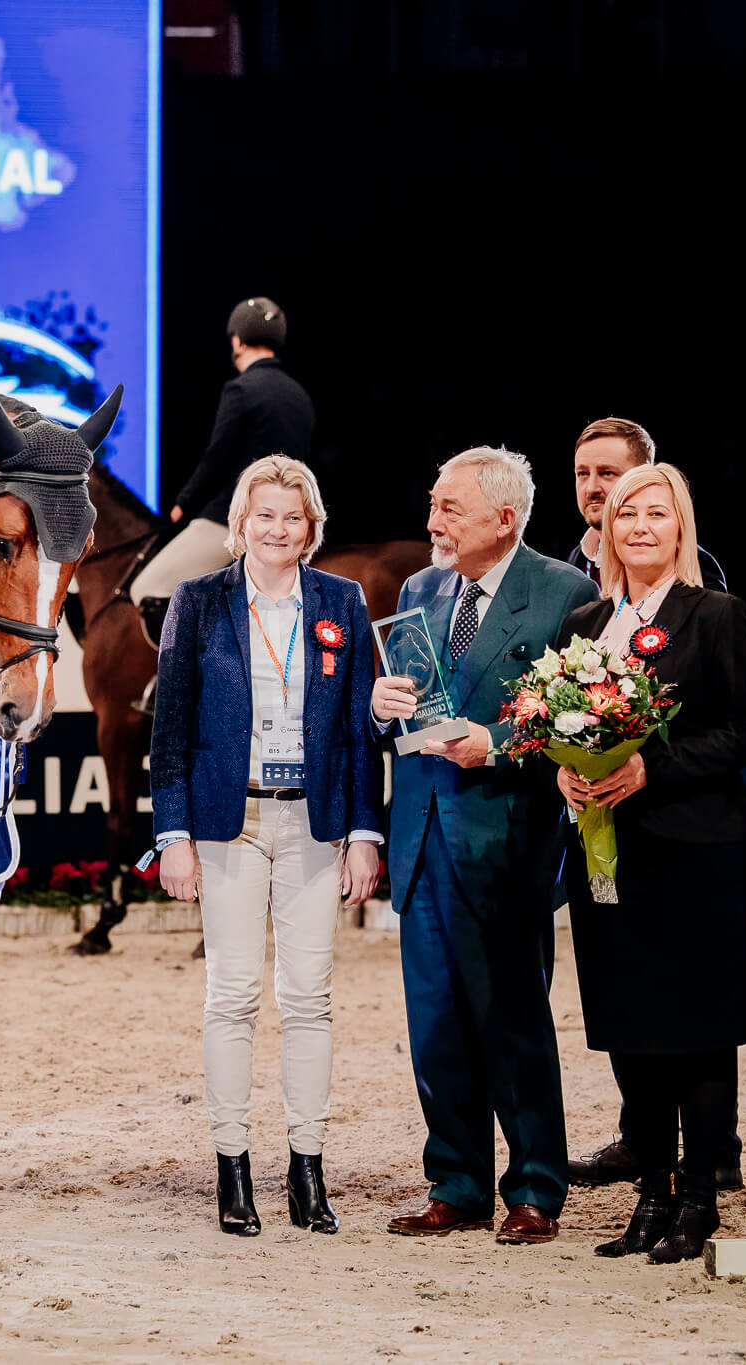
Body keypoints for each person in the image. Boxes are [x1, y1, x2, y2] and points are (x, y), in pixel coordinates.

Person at [148, 455, 384, 1237]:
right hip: (229, 823)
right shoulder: (199, 601)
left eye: (293, 517)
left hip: (315, 822)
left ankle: (308, 1172)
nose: (278, 530)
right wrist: (172, 834)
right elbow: (170, 729)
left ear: (311, 528)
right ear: (240, 523)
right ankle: (232, 1167)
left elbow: (358, 729)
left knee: (310, 998)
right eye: (265, 515)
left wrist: (363, 831)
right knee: (234, 993)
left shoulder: (342, 602)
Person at [373, 446, 598, 1246]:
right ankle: (456, 1183)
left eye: (449, 509)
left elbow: (583, 712)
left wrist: (497, 742)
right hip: (423, 838)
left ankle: (535, 1188)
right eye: (433, 504)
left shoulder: (567, 592)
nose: (432, 522)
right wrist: (380, 702)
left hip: (508, 839)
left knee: (512, 1020)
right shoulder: (418, 589)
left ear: (505, 519)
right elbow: (408, 707)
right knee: (433, 1023)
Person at [553, 462, 746, 1262]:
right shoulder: (582, 624)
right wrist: (565, 769)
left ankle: (700, 1199)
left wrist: (654, 766)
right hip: (607, 856)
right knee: (630, 1026)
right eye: (625, 515)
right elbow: (557, 724)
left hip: (696, 851)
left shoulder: (716, 616)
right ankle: (650, 1193)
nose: (640, 526)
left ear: (681, 527)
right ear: (606, 531)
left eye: (656, 513)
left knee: (698, 1029)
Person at [129, 298, 314, 710]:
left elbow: (218, 457)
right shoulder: (299, 396)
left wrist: (183, 504)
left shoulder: (242, 389)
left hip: (237, 521)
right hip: (293, 526)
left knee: (148, 588)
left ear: (236, 339)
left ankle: (184, 684)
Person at [565, 417, 726, 593]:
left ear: (643, 479)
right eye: (582, 474)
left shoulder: (690, 564)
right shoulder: (577, 558)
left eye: (607, 473)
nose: (591, 488)